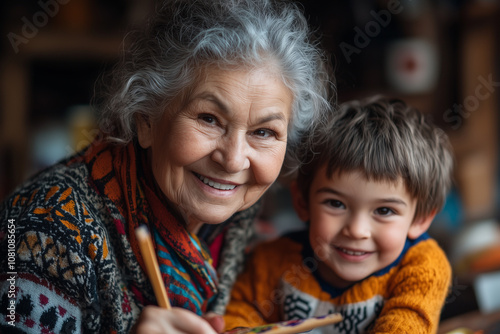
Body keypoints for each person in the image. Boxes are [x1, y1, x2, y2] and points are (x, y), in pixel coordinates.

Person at [0, 0, 335, 333]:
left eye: (264, 132)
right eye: (209, 119)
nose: (233, 160)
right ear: (146, 121)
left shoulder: (241, 223)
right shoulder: (44, 228)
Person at [223, 96, 454, 333]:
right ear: (302, 202)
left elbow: (409, 323)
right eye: (335, 204)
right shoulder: (273, 262)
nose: (356, 229)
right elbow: (240, 311)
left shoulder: (422, 268)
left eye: (384, 211)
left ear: (420, 219)